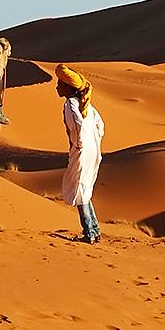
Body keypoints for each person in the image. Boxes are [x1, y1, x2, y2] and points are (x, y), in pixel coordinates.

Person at [57, 65, 106, 243]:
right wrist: (94, 142)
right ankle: (95, 229)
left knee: (79, 189)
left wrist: (79, 145)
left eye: (60, 84)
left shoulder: (70, 103)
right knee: (84, 189)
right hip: (93, 150)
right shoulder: (87, 105)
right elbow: (101, 126)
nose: (57, 87)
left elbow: (76, 125)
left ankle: (89, 233)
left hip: (82, 151)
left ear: (69, 88)